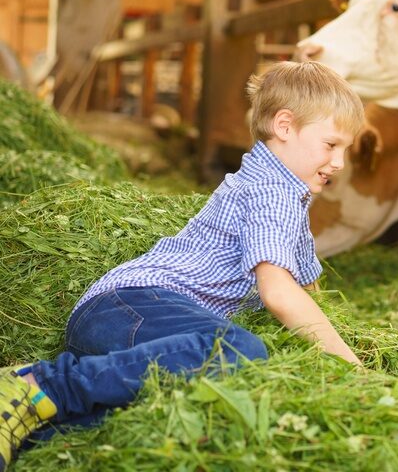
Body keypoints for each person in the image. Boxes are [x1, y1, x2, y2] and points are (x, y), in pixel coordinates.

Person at [0, 60, 365, 470]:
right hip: (132, 305)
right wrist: (351, 368)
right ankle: (40, 383)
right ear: (284, 126)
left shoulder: (289, 199)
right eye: (331, 145)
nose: (339, 162)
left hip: (136, 337)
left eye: (345, 149)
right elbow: (280, 294)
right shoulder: (271, 193)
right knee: (236, 350)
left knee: (165, 403)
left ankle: (27, 423)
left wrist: (332, 335)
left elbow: (309, 290)